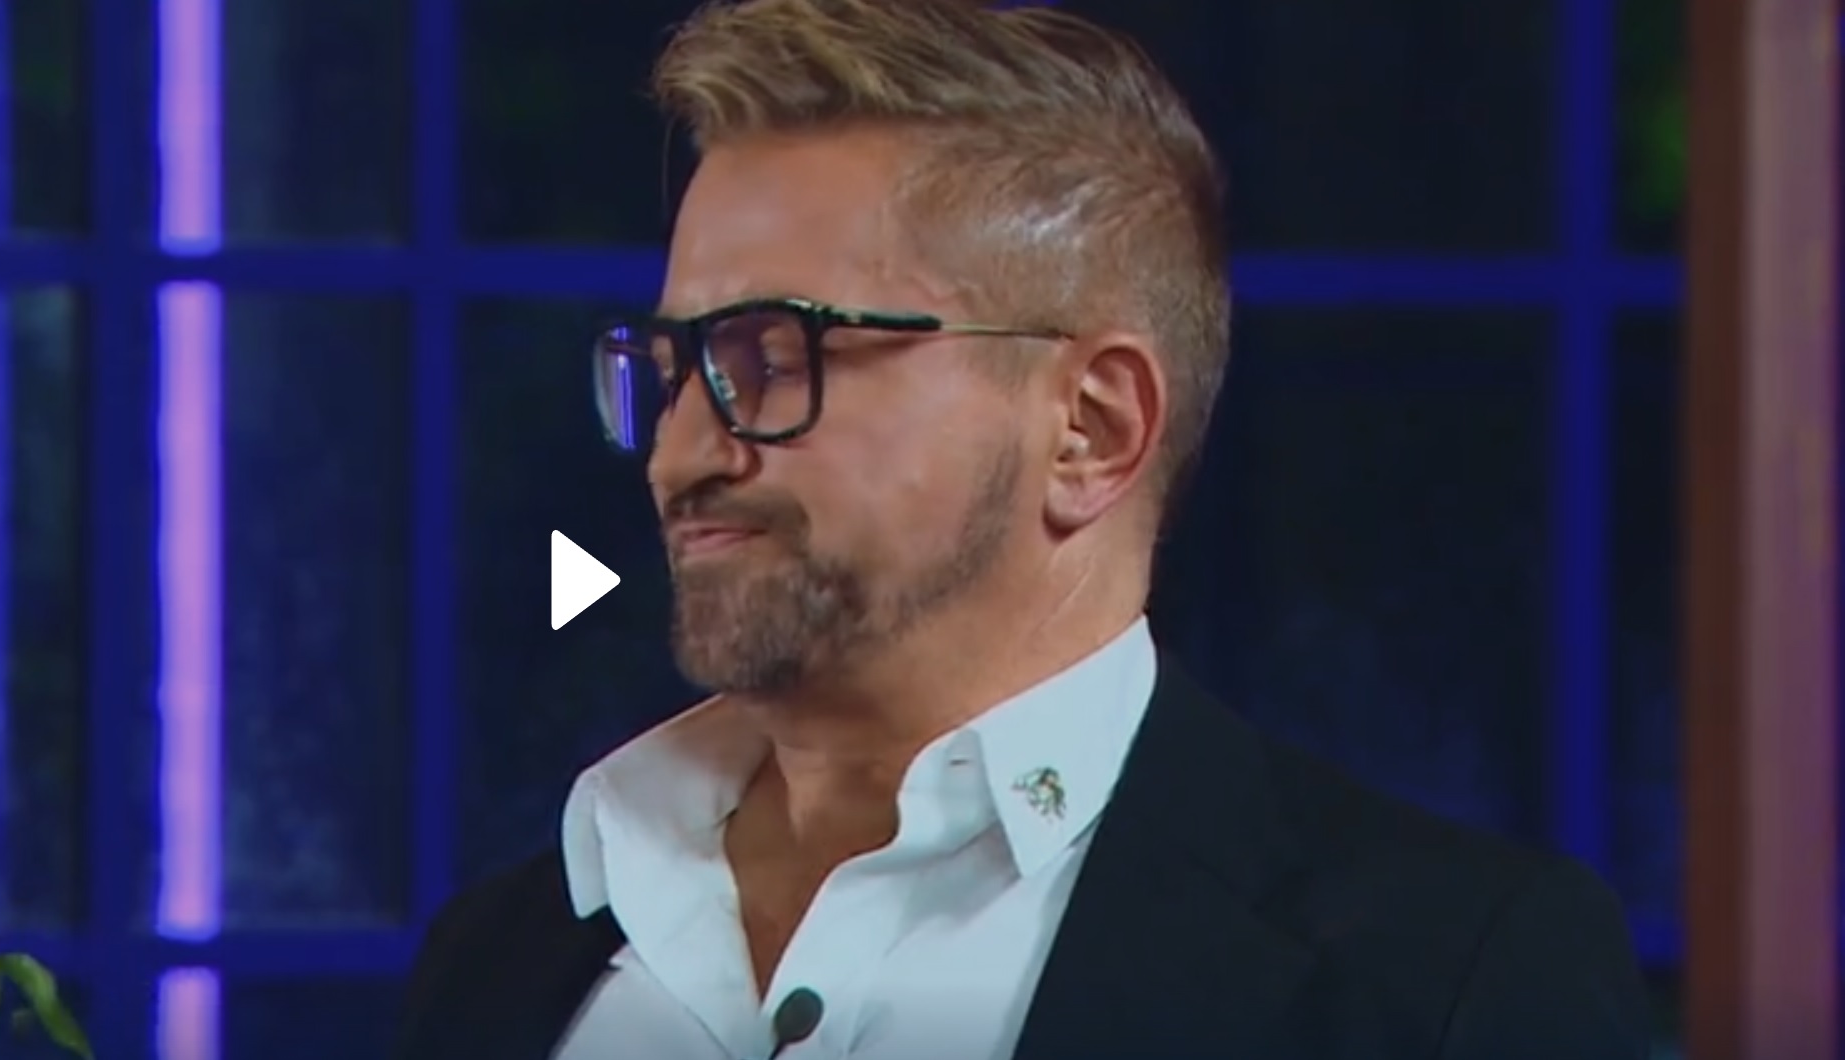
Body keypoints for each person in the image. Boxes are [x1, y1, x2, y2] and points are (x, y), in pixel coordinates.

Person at [392, 1, 1652, 1058]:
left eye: (771, 358)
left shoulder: (1446, 983)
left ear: (1090, 429)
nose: (678, 454)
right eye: (673, 369)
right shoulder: (501, 959)